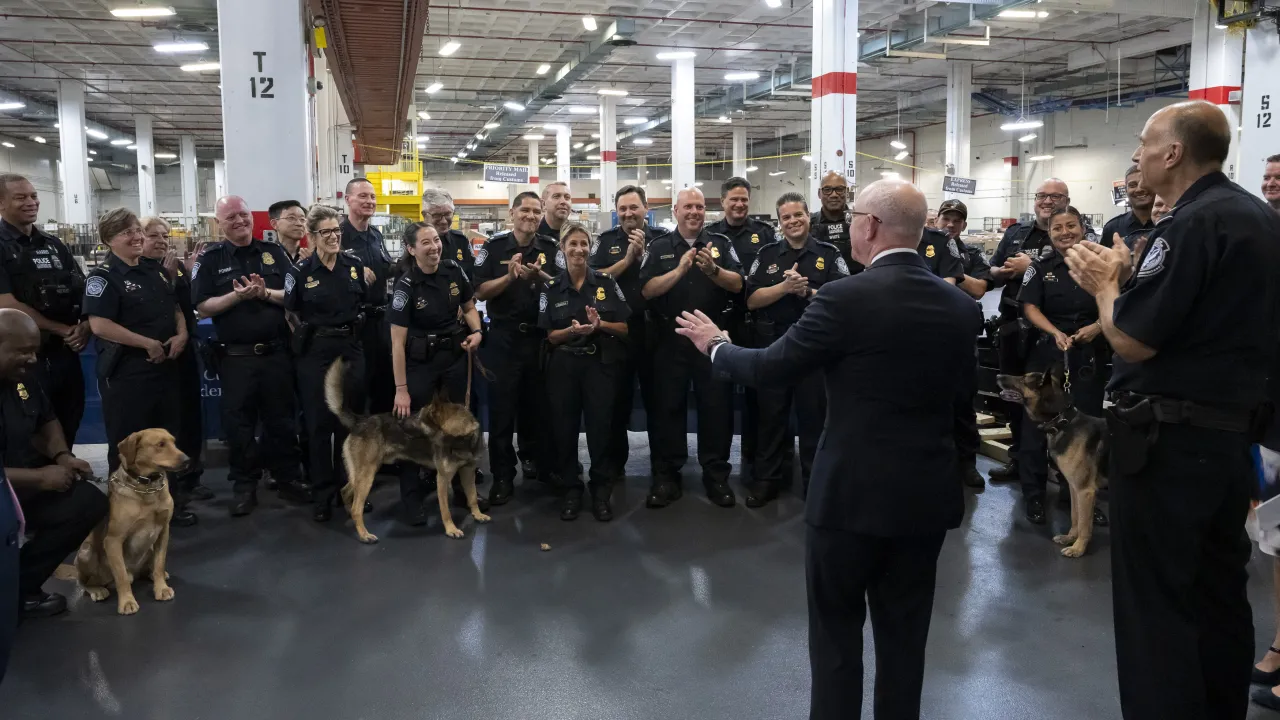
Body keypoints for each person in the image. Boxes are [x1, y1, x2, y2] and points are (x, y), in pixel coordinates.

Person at [675, 178, 981, 720]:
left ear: (869, 226)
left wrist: (716, 345)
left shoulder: (845, 297)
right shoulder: (959, 307)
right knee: (906, 639)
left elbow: (771, 368)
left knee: (837, 638)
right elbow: (961, 406)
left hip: (849, 501)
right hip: (925, 500)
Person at [1064, 100, 1280, 720]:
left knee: (1156, 608)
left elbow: (1134, 340)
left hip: (1168, 449)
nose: (1137, 154)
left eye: (1144, 142)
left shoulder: (1188, 224)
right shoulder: (1258, 218)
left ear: (1174, 153)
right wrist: (1133, 280)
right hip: (1229, 440)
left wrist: (1108, 288)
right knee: (1218, 595)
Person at [192, 196, 304, 516]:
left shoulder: (273, 253)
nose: (239, 221)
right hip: (236, 359)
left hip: (276, 354)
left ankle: (287, 479)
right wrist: (236, 297)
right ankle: (244, 485)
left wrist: (265, 293)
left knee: (281, 421)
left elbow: (293, 298)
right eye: (230, 218)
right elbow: (201, 307)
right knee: (239, 426)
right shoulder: (211, 259)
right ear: (219, 223)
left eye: (243, 215)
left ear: (252, 218)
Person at [639, 187, 743, 509]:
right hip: (670, 342)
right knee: (666, 410)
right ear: (675, 210)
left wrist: (713, 270)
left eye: (699, 206)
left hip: (710, 343)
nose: (695, 212)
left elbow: (738, 283)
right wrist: (680, 270)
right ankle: (667, 476)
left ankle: (716, 476)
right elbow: (646, 290)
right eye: (688, 207)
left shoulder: (721, 245)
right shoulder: (658, 247)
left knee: (717, 409)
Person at [743, 192, 848, 507]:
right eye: (786, 217)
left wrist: (809, 291)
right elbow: (750, 300)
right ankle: (767, 482)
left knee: (814, 419)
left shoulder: (829, 255)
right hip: (774, 345)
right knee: (771, 417)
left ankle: (815, 485)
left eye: (798, 215)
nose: (792, 221)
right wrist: (784, 288)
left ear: (808, 216)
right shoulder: (767, 254)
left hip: (814, 350)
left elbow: (843, 302)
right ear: (779, 222)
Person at [0, 309, 106, 619]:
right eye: (22, 351)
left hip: (18, 486)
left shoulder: (23, 379)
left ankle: (20, 588)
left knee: (87, 502)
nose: (32, 359)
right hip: (12, 487)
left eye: (34, 350)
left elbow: (46, 419)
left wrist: (63, 456)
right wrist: (38, 478)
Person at [1017, 206, 1109, 526]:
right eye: (1058, 228)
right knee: (1036, 429)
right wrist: (1054, 331)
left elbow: (1117, 300)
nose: (1065, 232)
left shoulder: (1100, 263)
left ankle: (1080, 496)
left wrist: (1098, 326)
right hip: (1048, 356)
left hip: (1087, 356)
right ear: (1050, 232)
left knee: (1085, 431)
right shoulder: (1040, 268)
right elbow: (1029, 306)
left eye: (1071, 226)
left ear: (1082, 228)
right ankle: (1034, 495)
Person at [388, 222, 483, 525]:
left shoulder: (453, 270)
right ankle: (412, 499)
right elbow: (397, 343)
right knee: (413, 432)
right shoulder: (406, 286)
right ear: (411, 249)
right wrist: (401, 388)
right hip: (420, 364)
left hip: (454, 357)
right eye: (425, 243)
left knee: (458, 426)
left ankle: (459, 489)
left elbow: (469, 306)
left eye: (436, 241)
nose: (434, 247)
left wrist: (477, 331)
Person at [472, 192, 559, 505]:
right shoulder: (494, 248)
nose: (531, 216)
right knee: (502, 413)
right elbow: (479, 290)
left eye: (536, 211)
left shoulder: (550, 248)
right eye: (525, 210)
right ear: (512, 213)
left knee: (538, 408)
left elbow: (563, 288)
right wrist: (508, 278)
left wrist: (541, 277)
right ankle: (503, 476)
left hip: (539, 340)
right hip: (504, 340)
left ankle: (536, 463)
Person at [82, 209, 184, 476]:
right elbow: (100, 325)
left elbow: (174, 306)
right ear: (109, 239)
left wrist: (181, 333)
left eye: (138, 230)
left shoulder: (155, 270)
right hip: (128, 374)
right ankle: (125, 505)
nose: (137, 236)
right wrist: (146, 343)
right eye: (128, 232)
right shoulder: (103, 277)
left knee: (164, 442)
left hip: (164, 371)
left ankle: (167, 501)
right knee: (128, 444)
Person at [986, 178, 1073, 490]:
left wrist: (1030, 266)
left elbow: (1075, 264)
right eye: (1041, 196)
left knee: (1051, 399)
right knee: (1013, 394)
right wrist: (1000, 271)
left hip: (1051, 328)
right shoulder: (1015, 233)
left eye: (1054, 196)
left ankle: (1057, 469)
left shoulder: (1071, 229)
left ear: (1066, 200)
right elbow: (992, 272)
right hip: (1012, 325)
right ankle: (1019, 459)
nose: (1046, 201)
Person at [539, 222, 630, 522]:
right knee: (563, 431)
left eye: (583, 244)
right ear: (562, 249)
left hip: (598, 366)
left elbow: (625, 328)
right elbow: (550, 335)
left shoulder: (605, 283)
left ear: (590, 248)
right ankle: (571, 490)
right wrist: (570, 331)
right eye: (572, 244)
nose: (578, 249)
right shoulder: (550, 288)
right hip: (563, 368)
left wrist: (600, 325)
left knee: (600, 430)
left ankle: (601, 492)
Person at [284, 205, 368, 523]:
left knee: (350, 424)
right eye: (326, 232)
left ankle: (349, 489)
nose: (333, 237)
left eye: (337, 230)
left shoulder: (353, 266)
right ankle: (323, 494)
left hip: (350, 348)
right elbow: (290, 312)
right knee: (319, 426)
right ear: (313, 236)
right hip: (316, 352)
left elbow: (362, 302)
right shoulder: (300, 273)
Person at [0, 174, 89, 445]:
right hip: (23, 360)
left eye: (33, 196)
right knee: (30, 429)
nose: (31, 202)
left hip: (64, 354)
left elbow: (81, 288)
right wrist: (62, 329)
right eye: (21, 197)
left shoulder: (53, 244)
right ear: (1, 203)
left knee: (68, 418)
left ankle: (65, 477)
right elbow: (6, 304)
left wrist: (84, 326)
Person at [707, 176, 776, 471]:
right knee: (717, 395)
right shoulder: (709, 235)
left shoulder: (765, 233)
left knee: (759, 393)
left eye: (744, 200)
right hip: (721, 322)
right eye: (733, 199)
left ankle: (756, 454)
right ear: (723, 202)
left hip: (756, 323)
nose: (739, 204)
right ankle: (716, 461)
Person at [589, 185, 657, 482]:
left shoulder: (664, 240)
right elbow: (593, 280)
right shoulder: (604, 242)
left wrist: (644, 256)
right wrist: (627, 259)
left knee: (660, 401)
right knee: (615, 403)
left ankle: (664, 469)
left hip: (656, 332)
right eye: (623, 209)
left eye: (634, 207)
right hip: (616, 333)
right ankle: (613, 467)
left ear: (646, 208)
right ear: (617, 212)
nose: (629, 213)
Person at [141, 217, 205, 525]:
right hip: (154, 361)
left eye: (165, 236)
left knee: (188, 419)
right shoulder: (142, 271)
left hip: (185, 353)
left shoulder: (174, 267)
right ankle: (166, 497)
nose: (161, 241)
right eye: (153, 236)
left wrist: (188, 275)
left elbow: (188, 306)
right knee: (163, 427)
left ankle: (189, 480)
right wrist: (166, 279)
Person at [935, 199, 989, 490]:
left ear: (964, 225)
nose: (951, 224)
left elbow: (980, 288)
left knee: (964, 402)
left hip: (962, 338)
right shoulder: (924, 248)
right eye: (946, 218)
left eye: (957, 220)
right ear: (936, 220)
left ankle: (967, 462)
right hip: (928, 338)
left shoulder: (973, 254)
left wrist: (951, 269)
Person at [341, 179, 394, 416]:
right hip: (355, 326)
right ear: (347, 199)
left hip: (381, 324)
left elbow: (387, 270)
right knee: (356, 391)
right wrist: (351, 269)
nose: (369, 201)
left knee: (384, 388)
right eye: (362, 196)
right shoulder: (337, 235)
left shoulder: (376, 235)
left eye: (372, 197)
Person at [810, 171, 859, 272]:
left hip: (855, 284)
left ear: (847, 192)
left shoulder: (860, 220)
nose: (834, 195)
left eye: (839, 189)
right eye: (827, 189)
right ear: (819, 193)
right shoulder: (809, 224)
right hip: (821, 286)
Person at [1103, 165, 1156, 251]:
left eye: (1144, 183)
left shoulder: (1170, 223)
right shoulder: (1112, 228)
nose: (1139, 189)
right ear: (1126, 190)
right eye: (1132, 185)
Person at [422, 187, 474, 266]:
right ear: (425, 215)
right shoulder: (413, 241)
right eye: (436, 215)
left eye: (447, 214)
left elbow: (474, 272)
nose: (443, 221)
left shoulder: (460, 240)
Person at [268, 200, 310, 264]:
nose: (299, 224)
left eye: (302, 219)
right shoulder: (266, 255)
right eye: (291, 218)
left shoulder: (309, 256)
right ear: (274, 224)